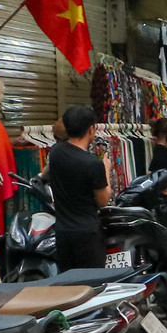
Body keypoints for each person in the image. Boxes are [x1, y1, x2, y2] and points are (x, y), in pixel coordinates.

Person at [47, 105, 110, 270]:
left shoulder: (55, 152)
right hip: (87, 233)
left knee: (69, 287)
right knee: (92, 286)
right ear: (91, 129)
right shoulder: (93, 164)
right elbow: (103, 200)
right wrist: (106, 170)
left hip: (63, 232)